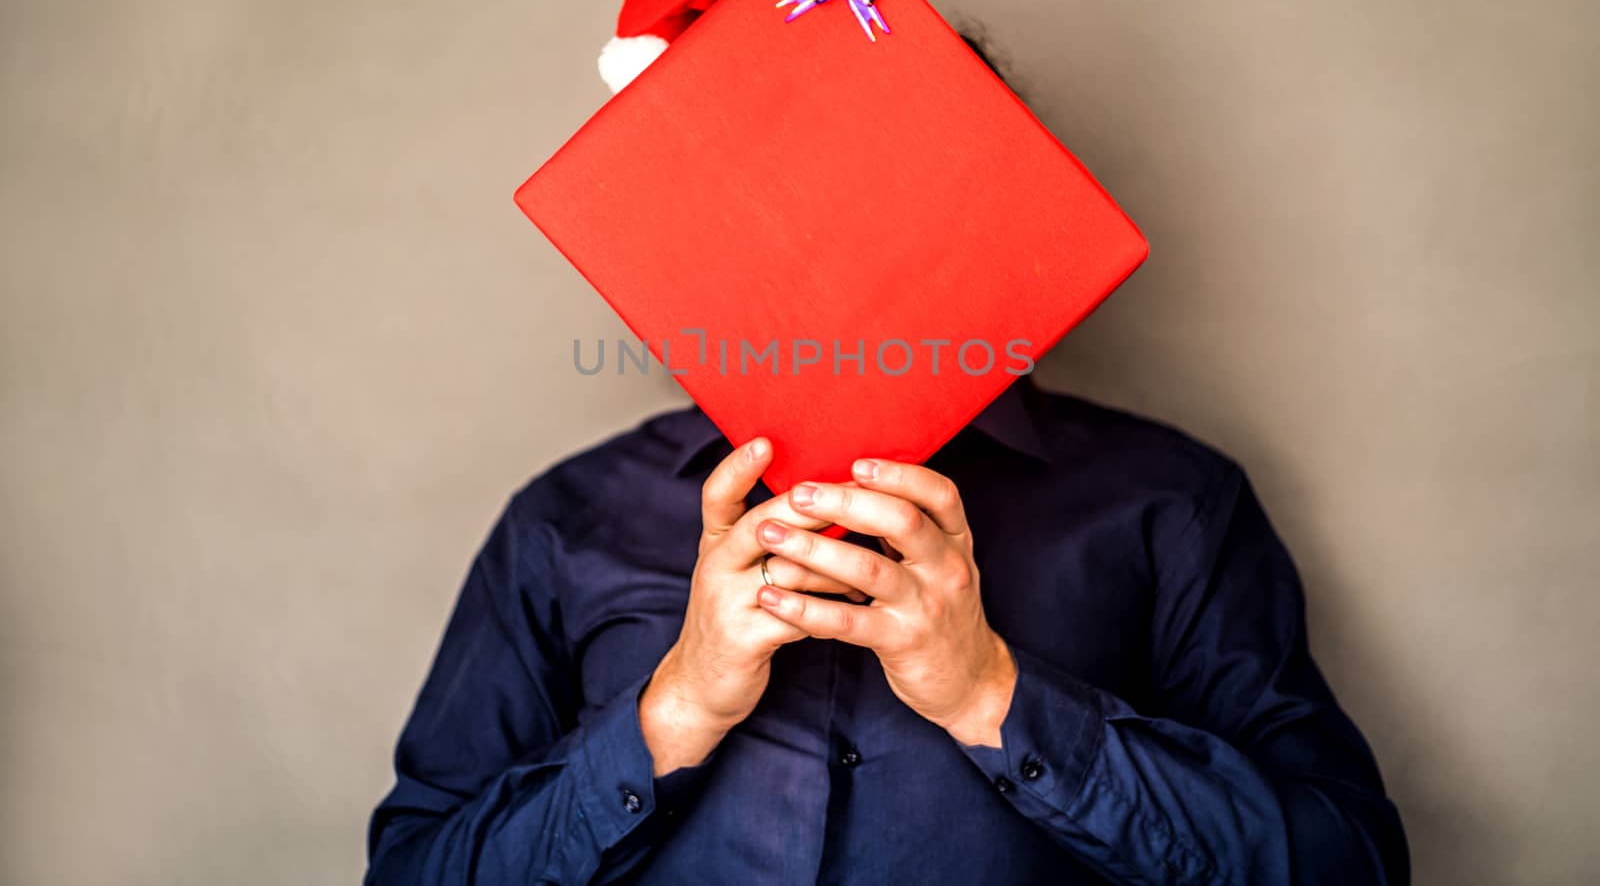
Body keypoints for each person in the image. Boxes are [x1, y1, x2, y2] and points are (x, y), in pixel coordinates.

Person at [364, 367, 1408, 883]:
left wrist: (994, 696)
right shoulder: (568, 518)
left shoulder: (1169, 502)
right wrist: (672, 710)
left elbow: (1348, 865)